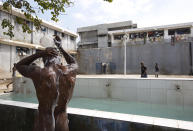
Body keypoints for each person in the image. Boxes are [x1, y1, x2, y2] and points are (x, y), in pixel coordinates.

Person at [15, 35, 78, 131]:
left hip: (44, 123)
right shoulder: (70, 72)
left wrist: (39, 54)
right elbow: (74, 62)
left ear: (44, 59)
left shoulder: (40, 73)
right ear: (59, 58)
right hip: (62, 123)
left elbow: (19, 65)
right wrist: (60, 47)